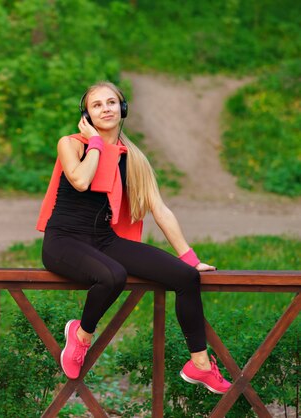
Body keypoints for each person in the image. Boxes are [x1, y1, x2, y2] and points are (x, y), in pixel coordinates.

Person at [36, 81, 231, 394]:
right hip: (64, 241)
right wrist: (96, 143)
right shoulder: (71, 144)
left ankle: (200, 365)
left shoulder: (134, 159)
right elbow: (81, 180)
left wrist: (190, 258)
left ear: (122, 108)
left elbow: (160, 210)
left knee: (185, 277)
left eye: (111, 102)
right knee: (114, 275)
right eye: (97, 104)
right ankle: (81, 336)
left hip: (103, 239)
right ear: (86, 114)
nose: (106, 108)